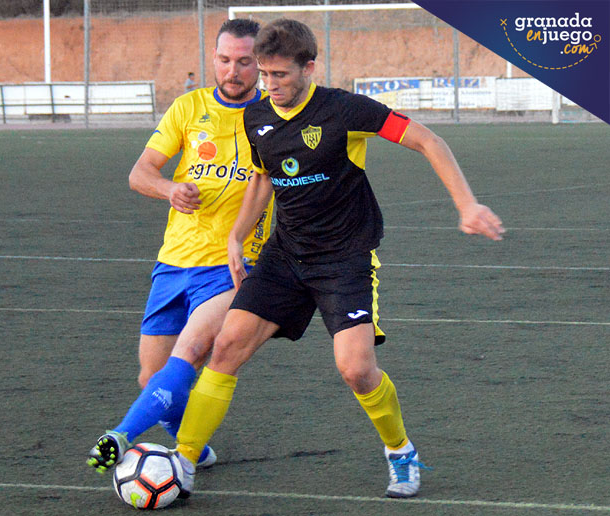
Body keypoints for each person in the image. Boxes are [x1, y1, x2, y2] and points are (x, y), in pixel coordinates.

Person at [170, 18, 506, 500]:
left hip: (344, 259)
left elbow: (429, 140)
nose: (270, 85)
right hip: (284, 257)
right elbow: (263, 177)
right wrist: (236, 237)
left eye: (280, 75)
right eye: (264, 74)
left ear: (309, 67)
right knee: (226, 348)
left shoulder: (346, 109)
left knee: (355, 369)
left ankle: (400, 450)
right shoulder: (256, 116)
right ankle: (182, 462)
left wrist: (467, 205)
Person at [87, 19, 273, 474]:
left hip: (233, 264)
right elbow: (139, 173)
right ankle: (193, 447)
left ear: (261, 65)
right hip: (173, 262)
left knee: (187, 357)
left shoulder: (275, 115)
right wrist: (170, 190)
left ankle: (122, 435)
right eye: (225, 60)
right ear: (213, 59)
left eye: (245, 62)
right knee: (151, 378)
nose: (234, 71)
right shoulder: (188, 108)